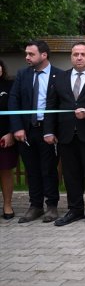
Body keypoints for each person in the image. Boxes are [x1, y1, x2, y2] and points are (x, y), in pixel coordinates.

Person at [43, 42, 85, 226]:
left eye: (83, 54)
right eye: (75, 54)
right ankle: (75, 209)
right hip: (66, 134)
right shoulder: (60, 77)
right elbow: (51, 105)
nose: (79, 58)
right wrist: (48, 130)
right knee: (71, 174)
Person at [9, 40, 63, 223]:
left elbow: (60, 106)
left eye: (31, 54)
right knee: (32, 170)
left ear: (44, 55)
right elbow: (14, 102)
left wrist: (53, 131)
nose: (27, 57)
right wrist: (17, 127)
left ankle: (52, 206)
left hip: (48, 132)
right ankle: (35, 206)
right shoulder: (23, 75)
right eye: (27, 54)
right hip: (27, 131)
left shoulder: (59, 75)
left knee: (49, 170)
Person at [0, 59, 18, 220]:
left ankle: (7, 205)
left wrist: (11, 132)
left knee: (5, 171)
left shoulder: (9, 86)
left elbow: (15, 110)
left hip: (4, 136)